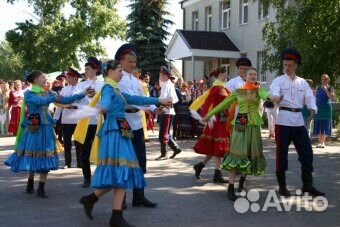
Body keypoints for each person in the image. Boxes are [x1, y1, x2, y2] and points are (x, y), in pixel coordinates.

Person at [79, 60, 171, 227]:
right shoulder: (108, 88)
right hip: (114, 132)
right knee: (122, 170)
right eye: (119, 70)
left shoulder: (116, 89)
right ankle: (111, 212)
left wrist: (159, 101)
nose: (122, 73)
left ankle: (98, 203)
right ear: (110, 72)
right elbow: (106, 103)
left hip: (121, 131)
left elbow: (135, 98)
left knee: (123, 171)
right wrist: (102, 108)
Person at [5, 70, 90, 198]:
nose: (46, 80)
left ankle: (41, 188)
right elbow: (40, 102)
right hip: (34, 128)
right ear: (35, 80)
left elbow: (66, 99)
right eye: (43, 78)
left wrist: (82, 94)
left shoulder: (48, 92)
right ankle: (30, 183)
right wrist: (53, 96)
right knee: (33, 155)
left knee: (46, 156)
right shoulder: (29, 94)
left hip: (46, 128)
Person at [204, 68, 271, 201]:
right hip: (241, 123)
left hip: (254, 126)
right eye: (250, 74)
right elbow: (223, 104)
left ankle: (242, 180)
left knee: (250, 155)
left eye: (255, 74)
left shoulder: (259, 90)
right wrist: (209, 114)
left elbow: (267, 96)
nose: (253, 76)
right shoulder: (238, 92)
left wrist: (274, 97)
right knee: (236, 155)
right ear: (244, 76)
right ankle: (230, 187)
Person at [270, 48, 325, 197]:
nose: (287, 68)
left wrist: (313, 109)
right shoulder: (279, 80)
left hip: (299, 122)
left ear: (296, 66)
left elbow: (310, 98)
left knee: (307, 154)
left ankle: (308, 185)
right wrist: (275, 97)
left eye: (290, 65)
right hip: (283, 122)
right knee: (282, 155)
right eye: (285, 65)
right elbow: (273, 91)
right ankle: (282, 186)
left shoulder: (302, 83)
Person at [116, 43, 159, 208]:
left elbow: (143, 98)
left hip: (137, 123)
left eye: (134, 61)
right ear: (121, 61)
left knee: (140, 160)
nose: (133, 64)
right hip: (124, 124)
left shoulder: (136, 81)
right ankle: (123, 198)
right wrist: (155, 103)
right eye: (129, 61)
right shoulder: (118, 79)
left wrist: (156, 109)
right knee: (125, 161)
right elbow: (131, 100)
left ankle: (139, 196)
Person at [191, 66, 231, 183]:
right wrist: (205, 116)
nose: (226, 76)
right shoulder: (216, 88)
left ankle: (201, 166)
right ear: (220, 75)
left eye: (226, 74)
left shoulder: (224, 88)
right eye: (225, 74)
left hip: (224, 120)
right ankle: (217, 174)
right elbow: (208, 102)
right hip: (216, 121)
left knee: (215, 148)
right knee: (218, 147)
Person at [73, 57, 104, 188]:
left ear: (95, 70)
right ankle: (87, 178)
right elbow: (73, 100)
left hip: (98, 122)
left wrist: (97, 95)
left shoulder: (102, 84)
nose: (86, 71)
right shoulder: (81, 85)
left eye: (88, 69)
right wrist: (85, 95)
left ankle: (101, 177)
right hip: (85, 122)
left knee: (101, 150)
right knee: (84, 152)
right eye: (85, 69)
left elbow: (106, 101)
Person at [54, 68, 82, 168]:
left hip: (78, 118)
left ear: (75, 78)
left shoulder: (81, 89)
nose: (67, 79)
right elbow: (59, 105)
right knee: (67, 141)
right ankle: (67, 162)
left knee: (79, 142)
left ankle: (80, 162)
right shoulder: (64, 90)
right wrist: (55, 118)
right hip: (66, 119)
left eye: (69, 77)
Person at [155, 66, 182, 160]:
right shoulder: (166, 84)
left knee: (163, 133)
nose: (160, 76)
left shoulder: (167, 85)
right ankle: (176, 149)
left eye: (161, 74)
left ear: (165, 75)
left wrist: (159, 106)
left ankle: (164, 154)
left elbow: (168, 99)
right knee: (165, 133)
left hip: (166, 111)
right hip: (166, 111)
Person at [313, 74, 336, 148]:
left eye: (325, 79)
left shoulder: (331, 88)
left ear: (328, 80)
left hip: (326, 108)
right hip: (318, 108)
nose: (324, 81)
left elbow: (332, 98)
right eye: (323, 79)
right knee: (319, 124)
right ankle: (320, 142)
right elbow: (314, 97)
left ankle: (323, 142)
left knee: (325, 124)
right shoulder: (318, 87)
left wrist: (326, 90)